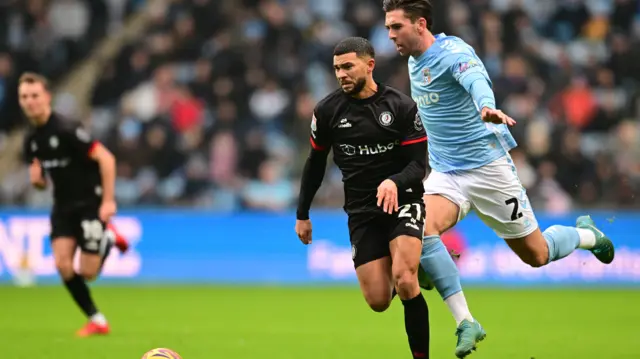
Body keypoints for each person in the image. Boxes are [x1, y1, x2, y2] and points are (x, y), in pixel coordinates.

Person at [382, 0, 616, 357]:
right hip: (447, 174)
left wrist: (486, 106)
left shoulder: (452, 51)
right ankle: (466, 322)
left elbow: (474, 77)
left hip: (489, 171)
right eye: (387, 28)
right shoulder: (414, 62)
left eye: (396, 27)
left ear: (420, 24)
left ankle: (587, 234)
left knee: (536, 255)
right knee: (418, 227)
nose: (390, 35)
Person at [295, 37, 432, 358]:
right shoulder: (327, 111)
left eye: (347, 66)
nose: (341, 74)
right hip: (361, 211)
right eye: (336, 68)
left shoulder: (400, 106)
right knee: (379, 301)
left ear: (369, 65)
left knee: (405, 280)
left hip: (403, 202)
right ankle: (414, 264)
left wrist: (394, 182)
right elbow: (315, 164)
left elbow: (419, 165)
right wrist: (302, 213)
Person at [19, 72, 130, 337]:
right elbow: (43, 180)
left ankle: (108, 240)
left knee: (88, 272)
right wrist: (38, 183)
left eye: (34, 95)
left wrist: (108, 201)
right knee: (62, 265)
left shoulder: (66, 129)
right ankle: (97, 319)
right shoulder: (31, 140)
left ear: (47, 97)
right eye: (24, 97)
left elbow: (107, 159)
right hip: (62, 207)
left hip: (89, 203)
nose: (30, 101)